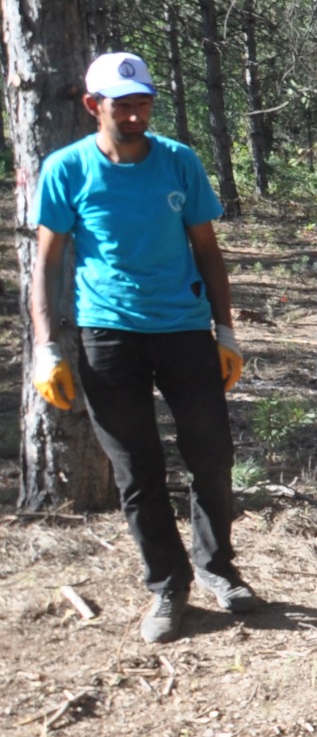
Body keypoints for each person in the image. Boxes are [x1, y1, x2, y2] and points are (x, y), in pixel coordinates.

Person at [29, 53, 255, 643]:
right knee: (138, 471)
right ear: (92, 105)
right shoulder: (67, 169)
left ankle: (218, 569)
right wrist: (46, 346)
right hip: (109, 336)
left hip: (183, 329)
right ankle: (167, 586)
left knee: (210, 456)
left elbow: (208, 251)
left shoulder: (178, 162)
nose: (134, 115)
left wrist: (224, 330)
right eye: (122, 105)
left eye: (143, 103)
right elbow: (47, 264)